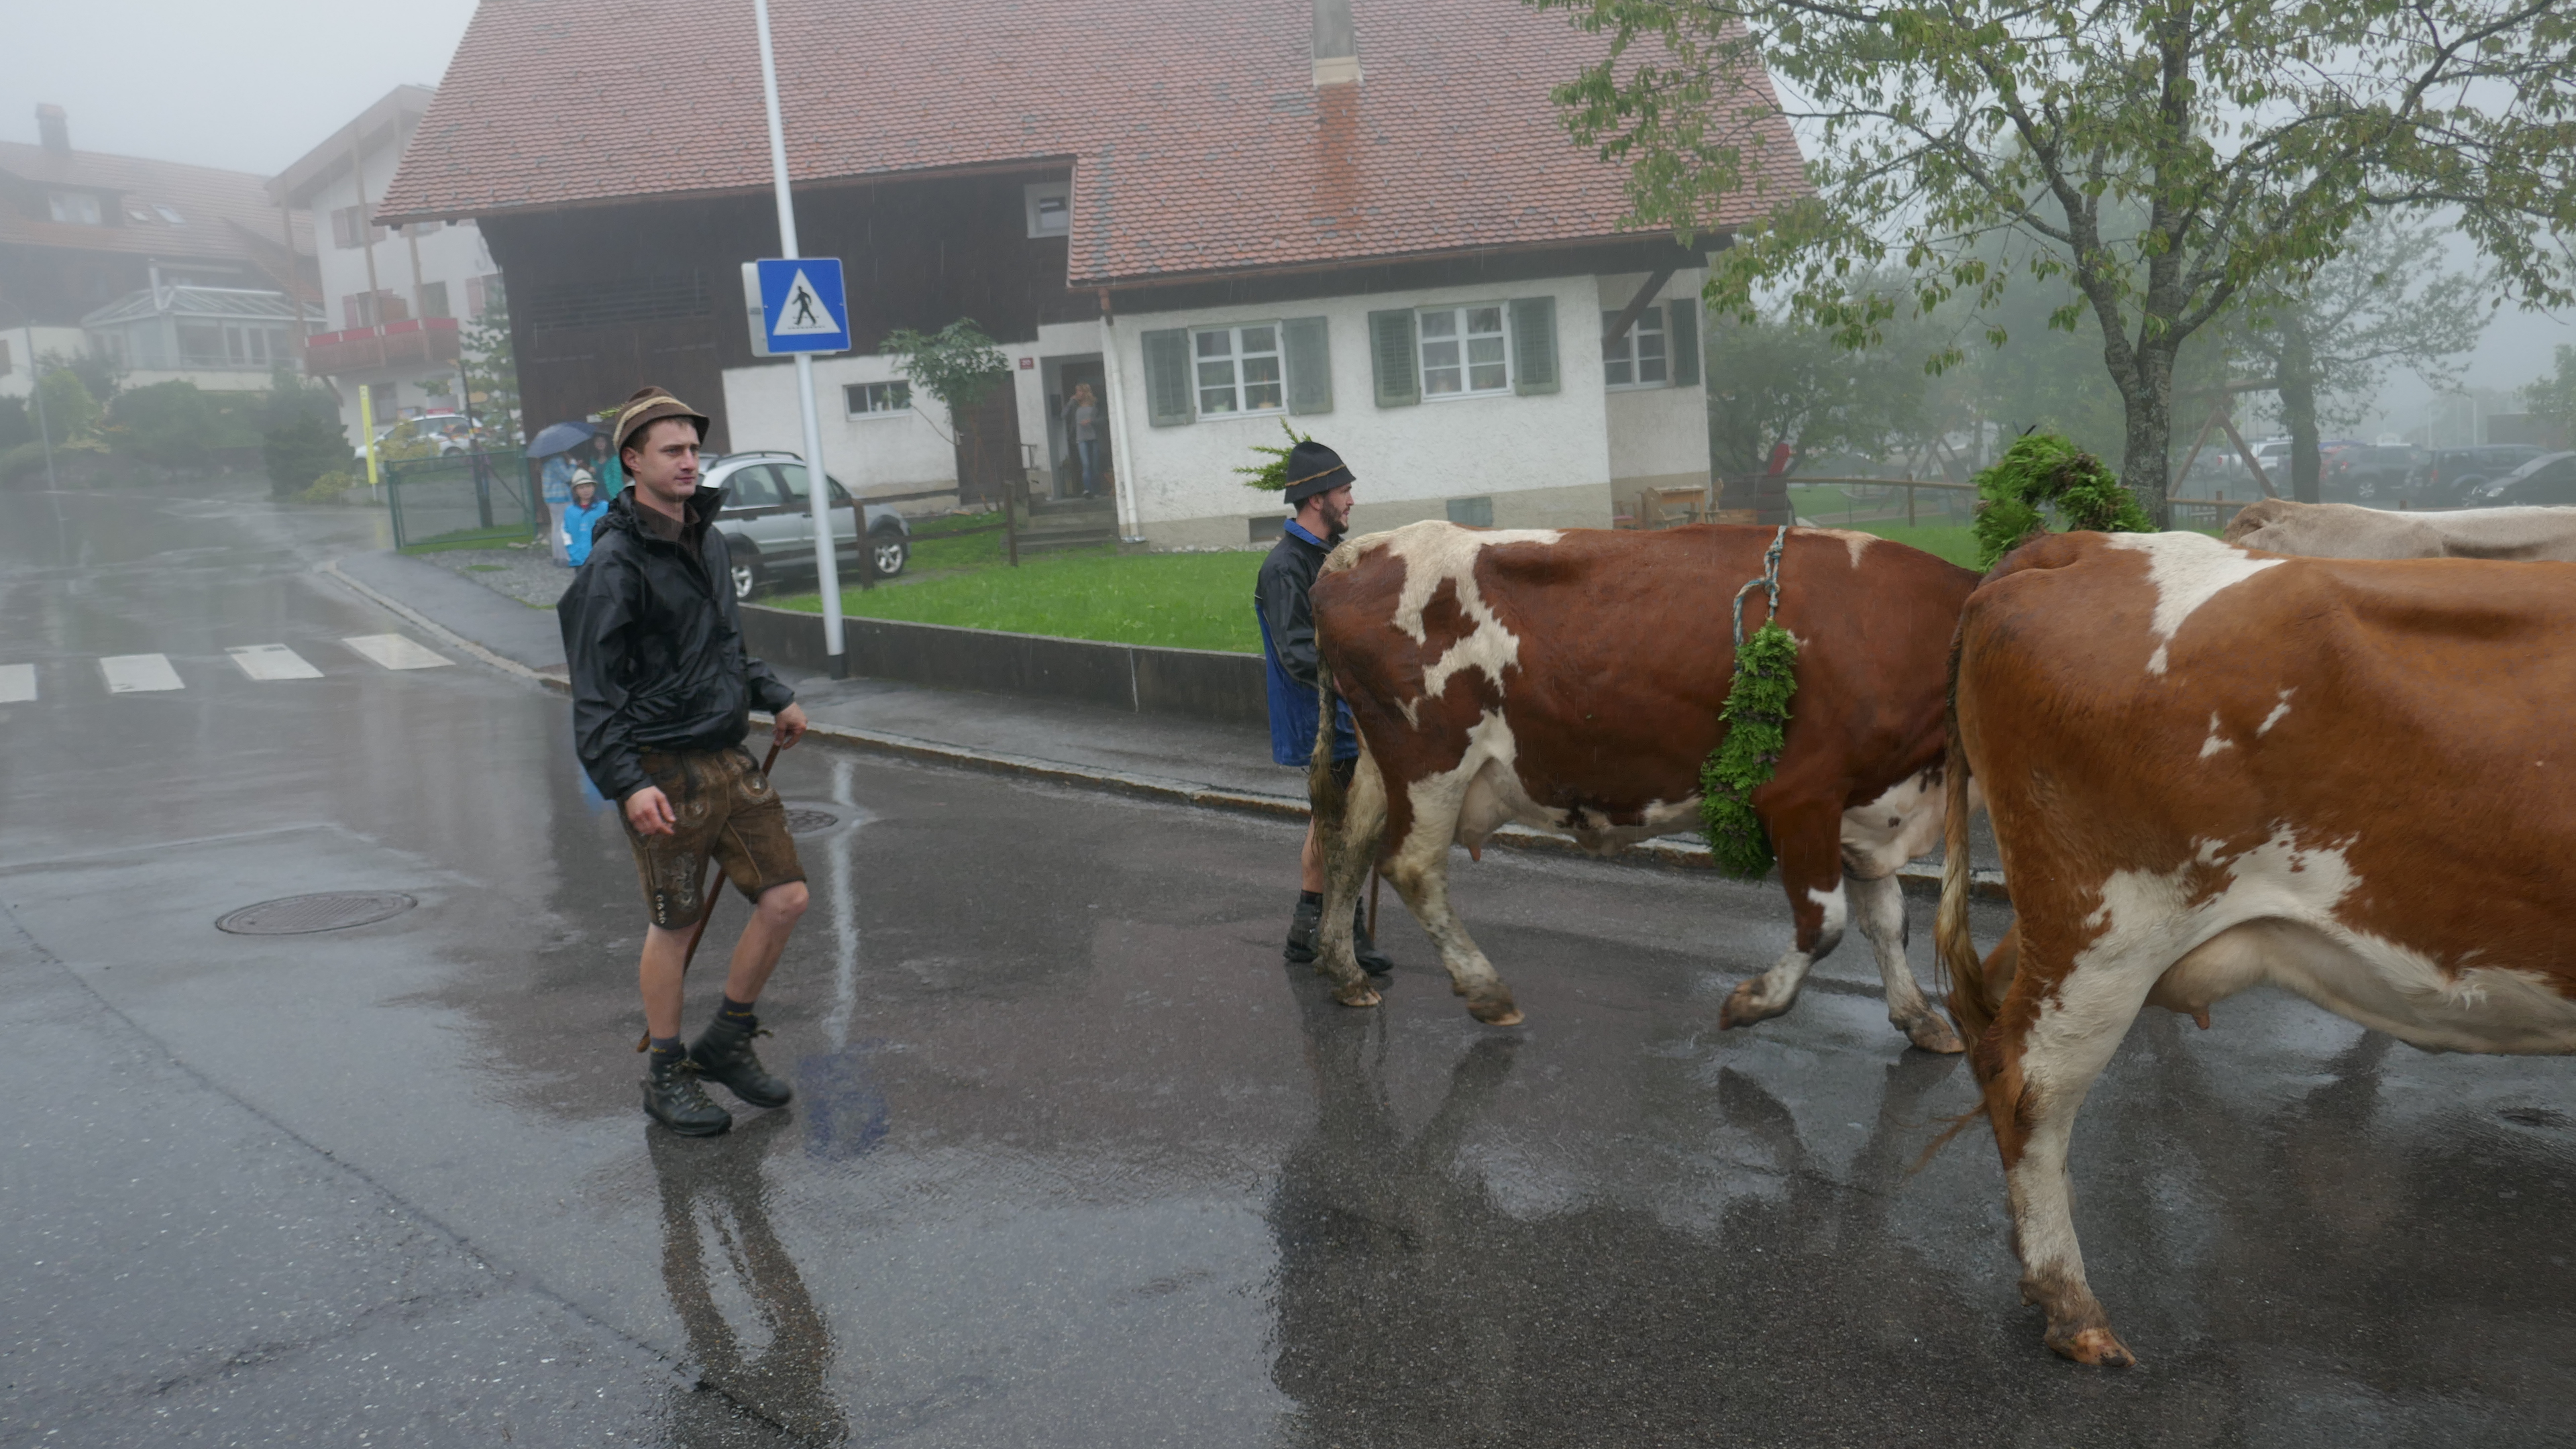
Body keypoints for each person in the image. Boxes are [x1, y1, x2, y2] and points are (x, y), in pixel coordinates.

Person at [558, 386, 813, 1136]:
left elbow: (722, 643)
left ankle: (727, 1038)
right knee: (675, 924)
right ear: (631, 463)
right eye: (671, 450)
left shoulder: (708, 540)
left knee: (786, 898)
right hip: (661, 769)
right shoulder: (614, 564)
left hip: (726, 755)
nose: (688, 462)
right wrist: (626, 783)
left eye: (694, 449)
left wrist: (773, 694)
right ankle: (665, 1072)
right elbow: (593, 692)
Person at [1256, 439, 1394, 975]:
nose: (1351, 500)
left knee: (1331, 820)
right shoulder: (1286, 566)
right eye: (1344, 491)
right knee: (1340, 823)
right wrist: (1358, 688)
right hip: (1317, 718)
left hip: (1339, 715)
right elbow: (1296, 652)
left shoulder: (1327, 558)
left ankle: (1309, 929)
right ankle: (1339, 929)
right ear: (1317, 499)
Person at [561, 471, 609, 568]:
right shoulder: (570, 511)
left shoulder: (604, 507)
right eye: (581, 488)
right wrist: (572, 550)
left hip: (602, 558)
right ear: (575, 490)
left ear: (594, 487)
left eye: (588, 486)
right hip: (579, 559)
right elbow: (566, 532)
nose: (586, 490)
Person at [540, 447, 580, 564]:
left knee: (556, 527)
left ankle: (557, 556)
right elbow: (567, 476)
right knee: (563, 527)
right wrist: (573, 464)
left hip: (551, 498)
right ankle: (565, 557)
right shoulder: (557, 461)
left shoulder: (546, 462)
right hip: (560, 497)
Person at [1062, 382, 1099, 497]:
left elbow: (1102, 419)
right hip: (1081, 438)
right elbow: (1063, 415)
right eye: (1077, 391)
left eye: (1079, 391)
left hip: (1094, 437)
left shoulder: (1094, 404)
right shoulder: (1075, 405)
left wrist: (1091, 421)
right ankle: (1088, 490)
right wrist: (1070, 402)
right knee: (1086, 464)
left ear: (1085, 392)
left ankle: (1096, 491)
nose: (1077, 393)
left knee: (1095, 465)